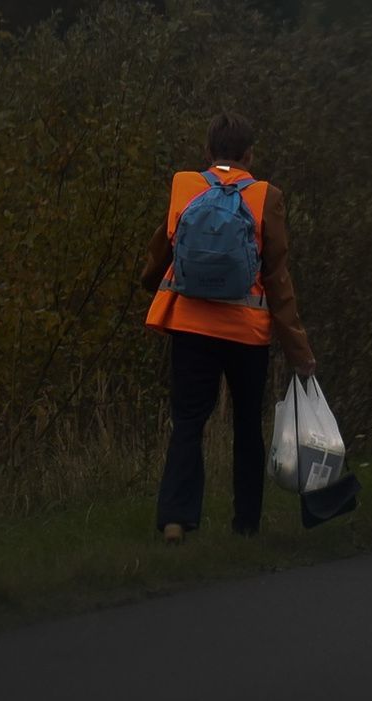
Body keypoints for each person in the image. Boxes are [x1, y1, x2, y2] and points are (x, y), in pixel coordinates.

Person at [140, 112, 316, 545]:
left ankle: (176, 520)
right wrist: (300, 352)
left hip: (191, 327)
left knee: (187, 422)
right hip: (246, 334)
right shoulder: (266, 196)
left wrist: (147, 281)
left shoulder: (185, 184)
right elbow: (278, 280)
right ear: (249, 155)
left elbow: (164, 244)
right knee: (246, 428)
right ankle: (246, 527)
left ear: (207, 152)